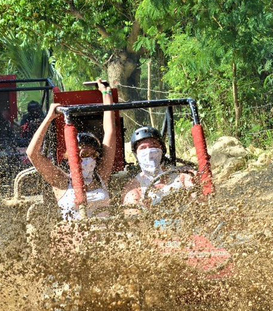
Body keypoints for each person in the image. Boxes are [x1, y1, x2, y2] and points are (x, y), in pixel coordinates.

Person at [26, 80, 115, 220]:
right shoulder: (61, 181)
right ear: (71, 157)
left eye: (93, 155)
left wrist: (106, 94)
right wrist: (49, 118)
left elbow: (109, 132)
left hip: (104, 233)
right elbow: (32, 154)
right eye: (84, 154)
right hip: (75, 236)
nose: (88, 159)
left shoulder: (101, 176)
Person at [122, 126, 196, 211]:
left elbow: (199, 199)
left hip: (183, 218)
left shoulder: (181, 176)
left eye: (153, 145)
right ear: (136, 154)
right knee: (131, 197)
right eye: (143, 147)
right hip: (152, 222)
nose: (149, 151)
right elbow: (131, 217)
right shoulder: (132, 187)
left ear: (162, 149)